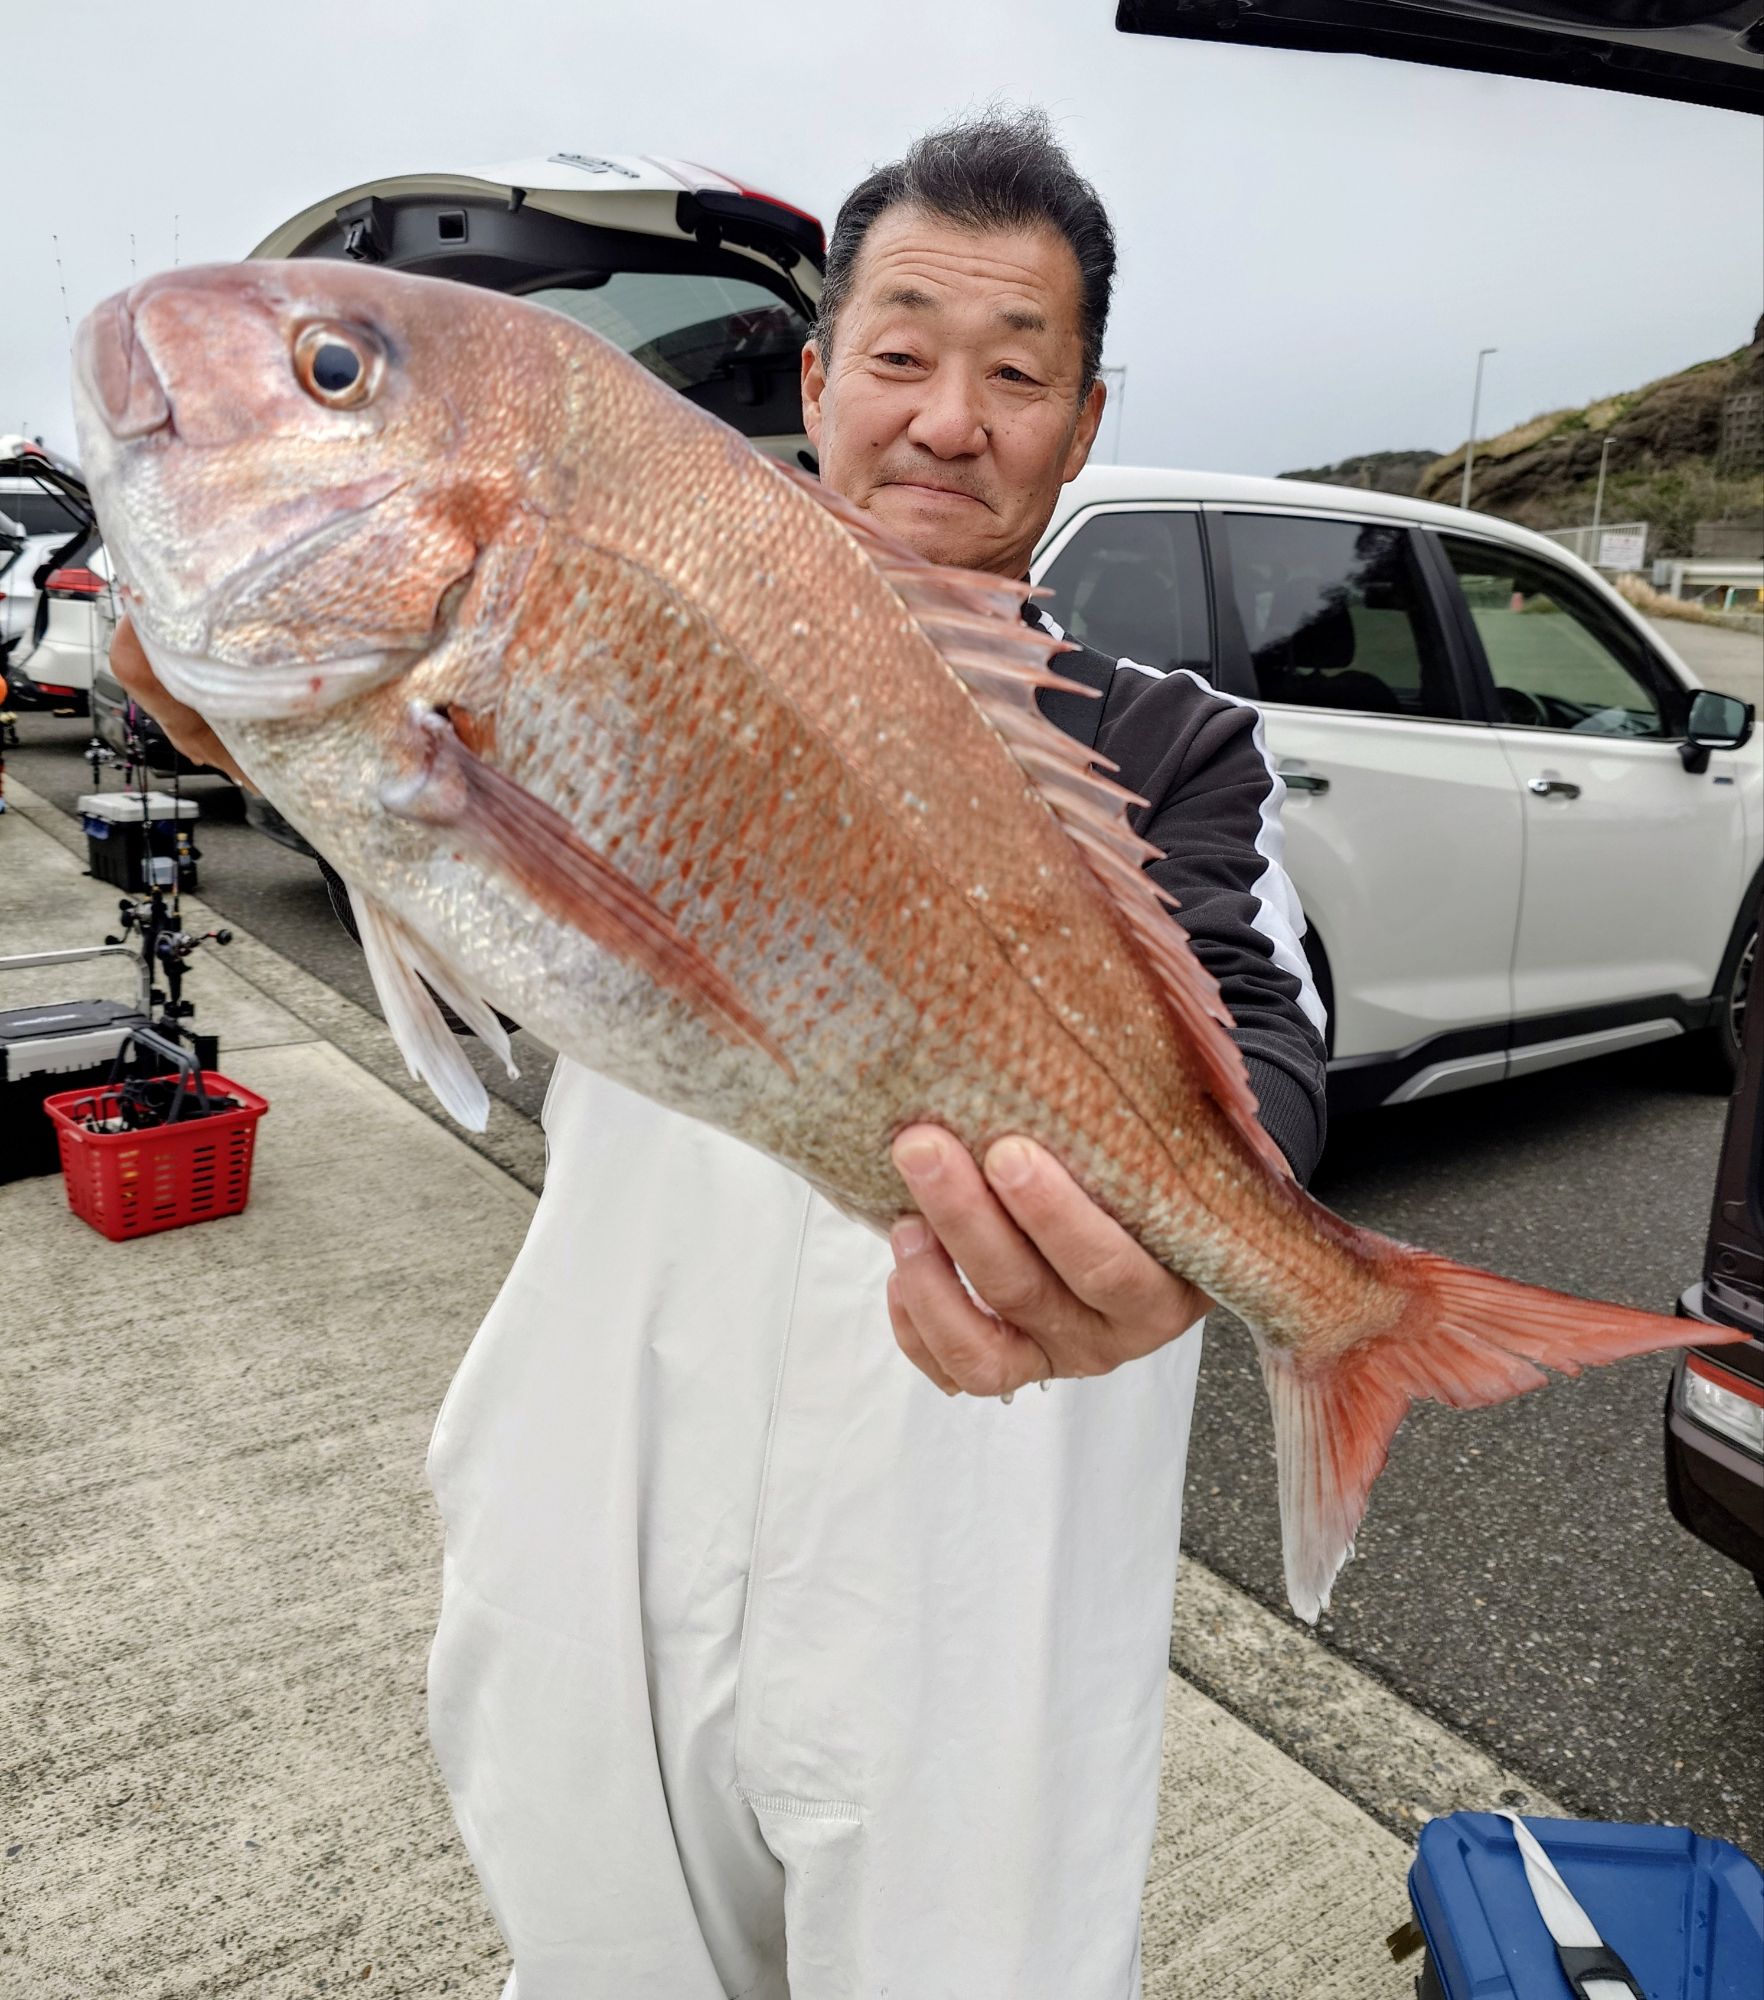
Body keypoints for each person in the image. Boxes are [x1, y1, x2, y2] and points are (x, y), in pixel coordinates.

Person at [113, 110, 1326, 1999]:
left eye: (1017, 375)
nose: (949, 420)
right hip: (608, 1493)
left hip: (973, 1565)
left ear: (1084, 424)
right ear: (819, 380)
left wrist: (1221, 1251)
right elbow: (461, 852)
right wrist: (276, 732)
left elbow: (1266, 1039)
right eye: (901, 354)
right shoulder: (619, 605)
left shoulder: (1168, 747)